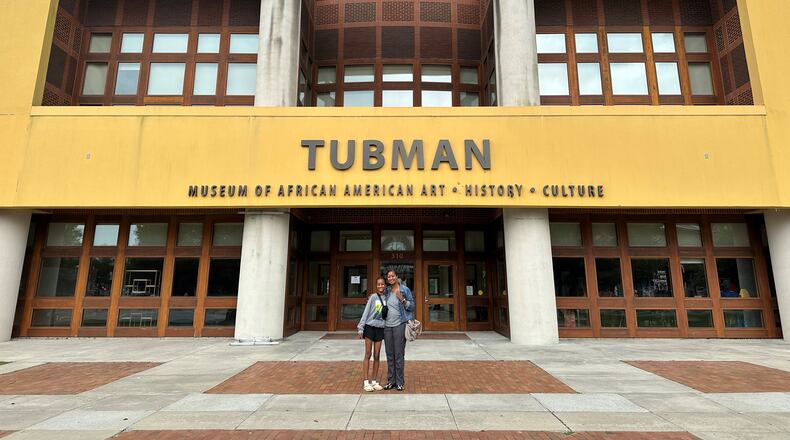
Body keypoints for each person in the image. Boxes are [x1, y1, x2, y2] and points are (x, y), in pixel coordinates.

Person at [383, 268, 414, 391]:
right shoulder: (387, 291)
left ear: (396, 276)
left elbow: (412, 306)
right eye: (388, 277)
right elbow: (379, 300)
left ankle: (400, 382)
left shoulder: (404, 290)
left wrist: (403, 299)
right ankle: (391, 381)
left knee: (399, 355)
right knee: (389, 355)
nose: (390, 278)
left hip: (400, 325)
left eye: (392, 276)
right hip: (387, 327)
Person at [356, 277, 387, 392]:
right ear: (376, 285)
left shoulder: (387, 298)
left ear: (385, 285)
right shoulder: (373, 297)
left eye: (382, 284)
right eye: (378, 284)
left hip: (380, 329)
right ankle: (366, 381)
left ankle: (374, 381)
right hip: (370, 328)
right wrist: (361, 327)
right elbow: (366, 312)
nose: (380, 286)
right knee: (368, 354)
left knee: (377, 355)